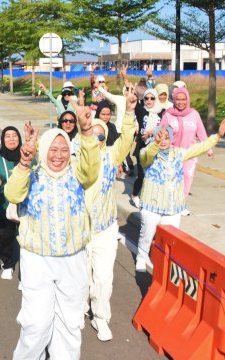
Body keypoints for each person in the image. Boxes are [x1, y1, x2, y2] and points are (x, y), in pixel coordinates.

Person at [6, 102, 99, 360]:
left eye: (64, 150)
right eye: (53, 149)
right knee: (36, 324)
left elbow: (92, 169)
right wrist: (24, 164)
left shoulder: (77, 175)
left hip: (73, 260)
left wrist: (87, 130)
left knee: (70, 323)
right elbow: (12, 194)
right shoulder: (32, 173)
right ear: (44, 150)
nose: (58, 155)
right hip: (37, 260)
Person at [135, 120, 225, 272]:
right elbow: (146, 157)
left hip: (173, 207)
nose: (163, 140)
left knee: (169, 240)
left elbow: (199, 148)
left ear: (171, 139)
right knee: (147, 234)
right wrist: (155, 143)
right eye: (160, 136)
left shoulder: (178, 153)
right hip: (152, 205)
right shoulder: (147, 153)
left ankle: (163, 263)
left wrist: (217, 136)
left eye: (166, 137)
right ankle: (141, 256)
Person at [84, 89, 137, 342]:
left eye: (101, 134)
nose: (97, 137)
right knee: (82, 277)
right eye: (93, 133)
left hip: (105, 228)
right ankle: (80, 308)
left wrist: (128, 112)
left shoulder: (111, 154)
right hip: (80, 231)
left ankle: (101, 317)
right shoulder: (76, 158)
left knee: (104, 278)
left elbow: (127, 138)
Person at [159, 86, 211, 215]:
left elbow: (201, 133)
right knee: (172, 179)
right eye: (178, 99)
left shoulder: (194, 114)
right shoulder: (168, 115)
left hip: (189, 153)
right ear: (174, 100)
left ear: (187, 100)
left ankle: (181, 204)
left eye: (183, 99)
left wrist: (208, 148)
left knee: (187, 177)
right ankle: (170, 202)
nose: (181, 102)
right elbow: (160, 132)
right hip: (172, 153)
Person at [0, 126, 22, 278]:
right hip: (5, 206)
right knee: (6, 237)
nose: (12, 139)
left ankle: (25, 273)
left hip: (25, 206)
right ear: (2, 140)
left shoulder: (26, 156)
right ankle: (7, 263)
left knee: (26, 240)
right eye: (8, 136)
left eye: (15, 136)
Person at [131, 88, 165, 208]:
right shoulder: (141, 111)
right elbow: (132, 101)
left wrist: (152, 132)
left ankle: (151, 198)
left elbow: (168, 129)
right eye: (146, 98)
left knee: (154, 176)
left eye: (152, 98)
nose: (149, 100)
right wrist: (125, 80)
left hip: (157, 149)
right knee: (142, 175)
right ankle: (135, 195)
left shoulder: (163, 112)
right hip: (142, 148)